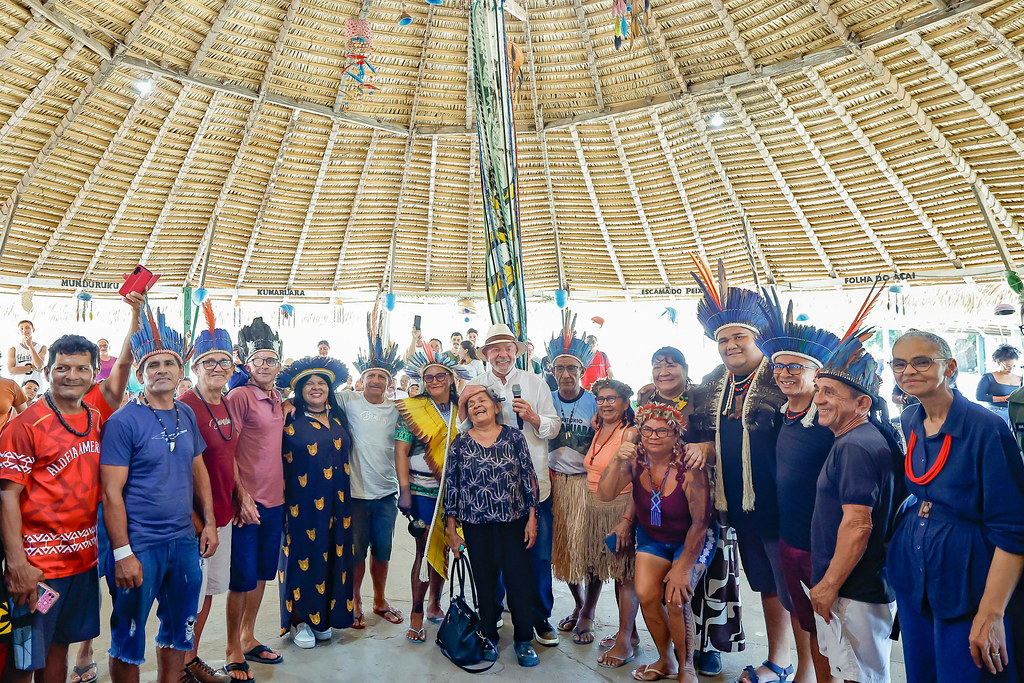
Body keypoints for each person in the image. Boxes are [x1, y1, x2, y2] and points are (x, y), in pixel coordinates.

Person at [890, 330, 1024, 683]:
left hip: (968, 579)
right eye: (899, 364)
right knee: (923, 670)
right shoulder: (910, 419)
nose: (908, 371)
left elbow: (1012, 528)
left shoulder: (986, 428)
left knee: (967, 670)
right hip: (916, 577)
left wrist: (992, 612)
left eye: (921, 361)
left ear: (949, 367)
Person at [99, 310, 219, 683]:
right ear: (140, 375)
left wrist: (209, 523)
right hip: (139, 545)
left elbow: (198, 469)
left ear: (180, 370)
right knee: (128, 638)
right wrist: (122, 553)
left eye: (169, 363)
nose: (162, 370)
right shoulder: (123, 421)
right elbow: (111, 493)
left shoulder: (185, 412)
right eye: (153, 365)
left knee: (179, 630)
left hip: (183, 541)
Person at [687, 261, 792, 683]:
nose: (730, 345)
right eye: (723, 339)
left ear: (758, 339)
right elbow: (689, 410)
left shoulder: (782, 376)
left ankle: (809, 666)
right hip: (742, 506)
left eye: (739, 337)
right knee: (767, 584)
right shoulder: (716, 382)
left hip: (785, 504)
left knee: (792, 589)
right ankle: (781, 659)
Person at [0, 335, 103, 683]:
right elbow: (7, 496)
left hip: (82, 564)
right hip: (38, 572)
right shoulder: (25, 425)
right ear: (47, 370)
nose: (71, 375)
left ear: (93, 372)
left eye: (81, 368)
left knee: (59, 648)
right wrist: (17, 564)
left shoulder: (95, 418)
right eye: (62, 367)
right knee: (24, 654)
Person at [639, 347, 743, 676]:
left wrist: (704, 448)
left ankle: (709, 646)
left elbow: (728, 440)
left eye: (672, 365)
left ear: (685, 368)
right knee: (660, 584)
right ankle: (670, 652)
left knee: (707, 577)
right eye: (658, 365)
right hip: (660, 503)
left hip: (706, 494)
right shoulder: (644, 398)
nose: (664, 371)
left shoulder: (703, 397)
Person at [755, 291, 841, 683]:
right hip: (788, 534)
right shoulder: (778, 416)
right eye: (778, 367)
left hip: (826, 540)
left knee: (835, 627)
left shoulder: (834, 422)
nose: (785, 373)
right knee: (800, 612)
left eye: (795, 366)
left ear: (815, 372)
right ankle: (805, 674)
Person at [810, 332, 903, 683]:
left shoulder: (856, 447)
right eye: (818, 389)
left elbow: (859, 525)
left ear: (862, 404)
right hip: (855, 587)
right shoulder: (857, 438)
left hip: (855, 590)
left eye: (829, 392)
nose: (818, 399)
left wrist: (829, 584)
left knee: (860, 677)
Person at [598, 403, 714, 683]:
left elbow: (700, 522)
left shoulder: (689, 466)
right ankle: (666, 660)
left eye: (662, 431)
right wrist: (616, 459)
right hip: (653, 538)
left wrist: (684, 567)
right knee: (647, 594)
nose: (652, 436)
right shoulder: (635, 460)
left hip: (692, 538)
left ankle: (686, 666)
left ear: (677, 435)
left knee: (676, 598)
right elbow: (605, 494)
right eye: (647, 429)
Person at [465, 322, 562, 647]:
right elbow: (462, 428)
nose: (502, 354)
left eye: (507, 349)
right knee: (490, 558)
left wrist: (534, 418)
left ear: (516, 353)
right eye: (495, 349)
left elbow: (553, 426)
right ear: (487, 354)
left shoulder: (535, 383)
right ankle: (491, 612)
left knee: (538, 557)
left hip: (534, 487)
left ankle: (539, 617)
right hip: (489, 493)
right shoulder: (476, 385)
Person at [445, 386, 540, 667]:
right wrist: (452, 531)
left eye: (482, 401)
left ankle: (524, 640)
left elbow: (528, 478)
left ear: (496, 407)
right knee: (484, 584)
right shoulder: (459, 444)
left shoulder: (514, 437)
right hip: (476, 526)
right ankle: (488, 636)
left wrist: (532, 519)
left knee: (519, 581)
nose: (477, 406)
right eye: (471, 404)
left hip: (515, 522)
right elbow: (453, 488)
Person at [176, 306, 242, 683]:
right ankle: (180, 666)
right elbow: (180, 473)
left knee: (207, 595)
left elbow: (227, 458)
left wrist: (238, 496)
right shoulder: (186, 407)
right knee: (187, 600)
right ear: (196, 367)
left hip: (222, 517)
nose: (218, 368)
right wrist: (200, 522)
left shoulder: (227, 402)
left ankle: (192, 658)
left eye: (224, 362)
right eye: (209, 362)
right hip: (197, 523)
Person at [277, 357, 355, 648]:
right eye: (308, 383)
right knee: (301, 558)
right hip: (301, 504)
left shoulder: (338, 418)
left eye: (321, 382)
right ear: (298, 390)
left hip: (338, 504)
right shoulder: (288, 420)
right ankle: (299, 620)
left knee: (333, 556)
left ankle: (323, 618)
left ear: (330, 388)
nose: (315, 387)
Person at [394, 346, 468, 643]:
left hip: (455, 491)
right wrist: (404, 490)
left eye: (441, 375)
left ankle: (436, 601)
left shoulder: (463, 407)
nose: (435, 380)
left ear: (451, 378)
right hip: (422, 490)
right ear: (422, 380)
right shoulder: (413, 408)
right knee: (423, 550)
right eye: (429, 376)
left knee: (449, 545)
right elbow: (401, 450)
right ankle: (415, 614)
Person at [225, 318, 286, 676]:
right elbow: (226, 448)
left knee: (263, 573)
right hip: (249, 502)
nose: (264, 366)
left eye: (271, 360)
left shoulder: (278, 398)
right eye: (258, 361)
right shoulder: (240, 396)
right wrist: (240, 494)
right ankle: (233, 645)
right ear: (247, 366)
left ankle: (249, 636)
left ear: (280, 365)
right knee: (242, 578)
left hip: (275, 501)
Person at [341, 316, 405, 628]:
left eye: (382, 376)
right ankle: (355, 600)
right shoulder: (347, 401)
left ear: (389, 382)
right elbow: (312, 394)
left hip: (386, 494)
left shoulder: (399, 408)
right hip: (355, 493)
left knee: (383, 551)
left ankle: (380, 599)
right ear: (362, 379)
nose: (376, 380)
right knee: (355, 553)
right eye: (371, 375)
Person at [544, 314, 602, 645]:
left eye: (572, 369)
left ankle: (589, 613)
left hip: (588, 485)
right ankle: (580, 605)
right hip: (555, 485)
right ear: (551, 372)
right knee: (563, 552)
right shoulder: (545, 401)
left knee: (592, 551)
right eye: (559, 369)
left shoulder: (596, 401)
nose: (566, 375)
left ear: (582, 371)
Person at [584, 378, 640, 668]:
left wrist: (626, 522)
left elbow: (637, 482)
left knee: (625, 576)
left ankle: (626, 641)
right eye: (601, 399)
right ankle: (628, 635)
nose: (605, 403)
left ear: (625, 402)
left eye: (612, 399)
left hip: (620, 509)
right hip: (597, 507)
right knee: (612, 574)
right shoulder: (600, 426)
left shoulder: (630, 434)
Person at [976, 344, 1021, 426]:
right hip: (996, 411)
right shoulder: (988, 377)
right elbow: (980, 396)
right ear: (999, 362)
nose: (1011, 369)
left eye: (1014, 366)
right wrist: (1003, 399)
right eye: (1008, 366)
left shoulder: (1020, 379)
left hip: (1016, 413)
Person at [8, 320, 47, 387]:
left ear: (33, 330)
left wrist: (30, 346)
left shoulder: (42, 347)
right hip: (18, 387)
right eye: (21, 328)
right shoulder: (13, 349)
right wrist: (32, 367)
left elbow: (39, 366)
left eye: (27, 327)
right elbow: (11, 371)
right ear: (18, 331)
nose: (24, 330)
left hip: (36, 388)